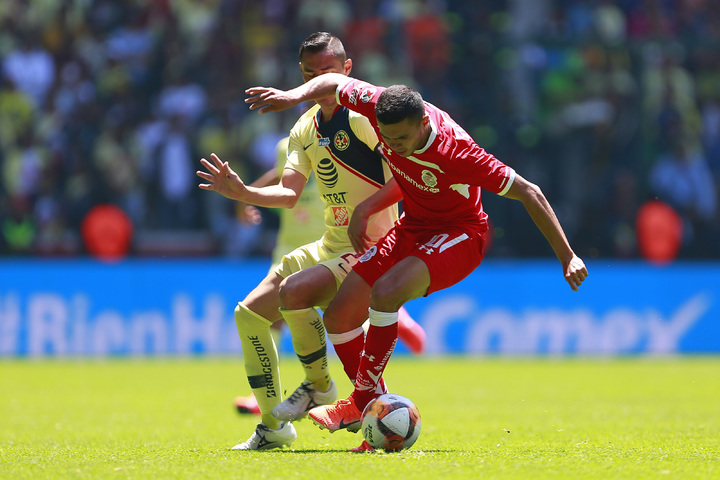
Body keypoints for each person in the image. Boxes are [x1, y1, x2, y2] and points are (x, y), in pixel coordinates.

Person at [245, 74, 589, 440]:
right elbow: (331, 80)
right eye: (387, 138)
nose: (394, 146)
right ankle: (374, 412)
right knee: (339, 316)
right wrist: (292, 95)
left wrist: (567, 256)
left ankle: (361, 399)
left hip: (460, 234)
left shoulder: (456, 152)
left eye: (401, 139)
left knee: (386, 292)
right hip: (412, 227)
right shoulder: (379, 103)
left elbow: (530, 192)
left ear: (423, 123)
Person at [196, 32, 414, 451]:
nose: (319, 83)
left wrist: (366, 212)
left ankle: (321, 386)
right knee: (248, 315)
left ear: (347, 71)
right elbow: (289, 193)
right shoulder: (305, 128)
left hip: (375, 247)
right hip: (332, 244)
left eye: (327, 73)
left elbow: (402, 181)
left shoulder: (367, 119)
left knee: (295, 294)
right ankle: (275, 429)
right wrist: (242, 193)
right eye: (309, 74)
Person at [233, 137, 426, 416]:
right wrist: (245, 195)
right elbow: (281, 175)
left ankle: (360, 395)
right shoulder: (291, 143)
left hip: (326, 238)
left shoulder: (348, 136)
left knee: (337, 313)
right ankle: (284, 395)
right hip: (290, 242)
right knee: (270, 316)